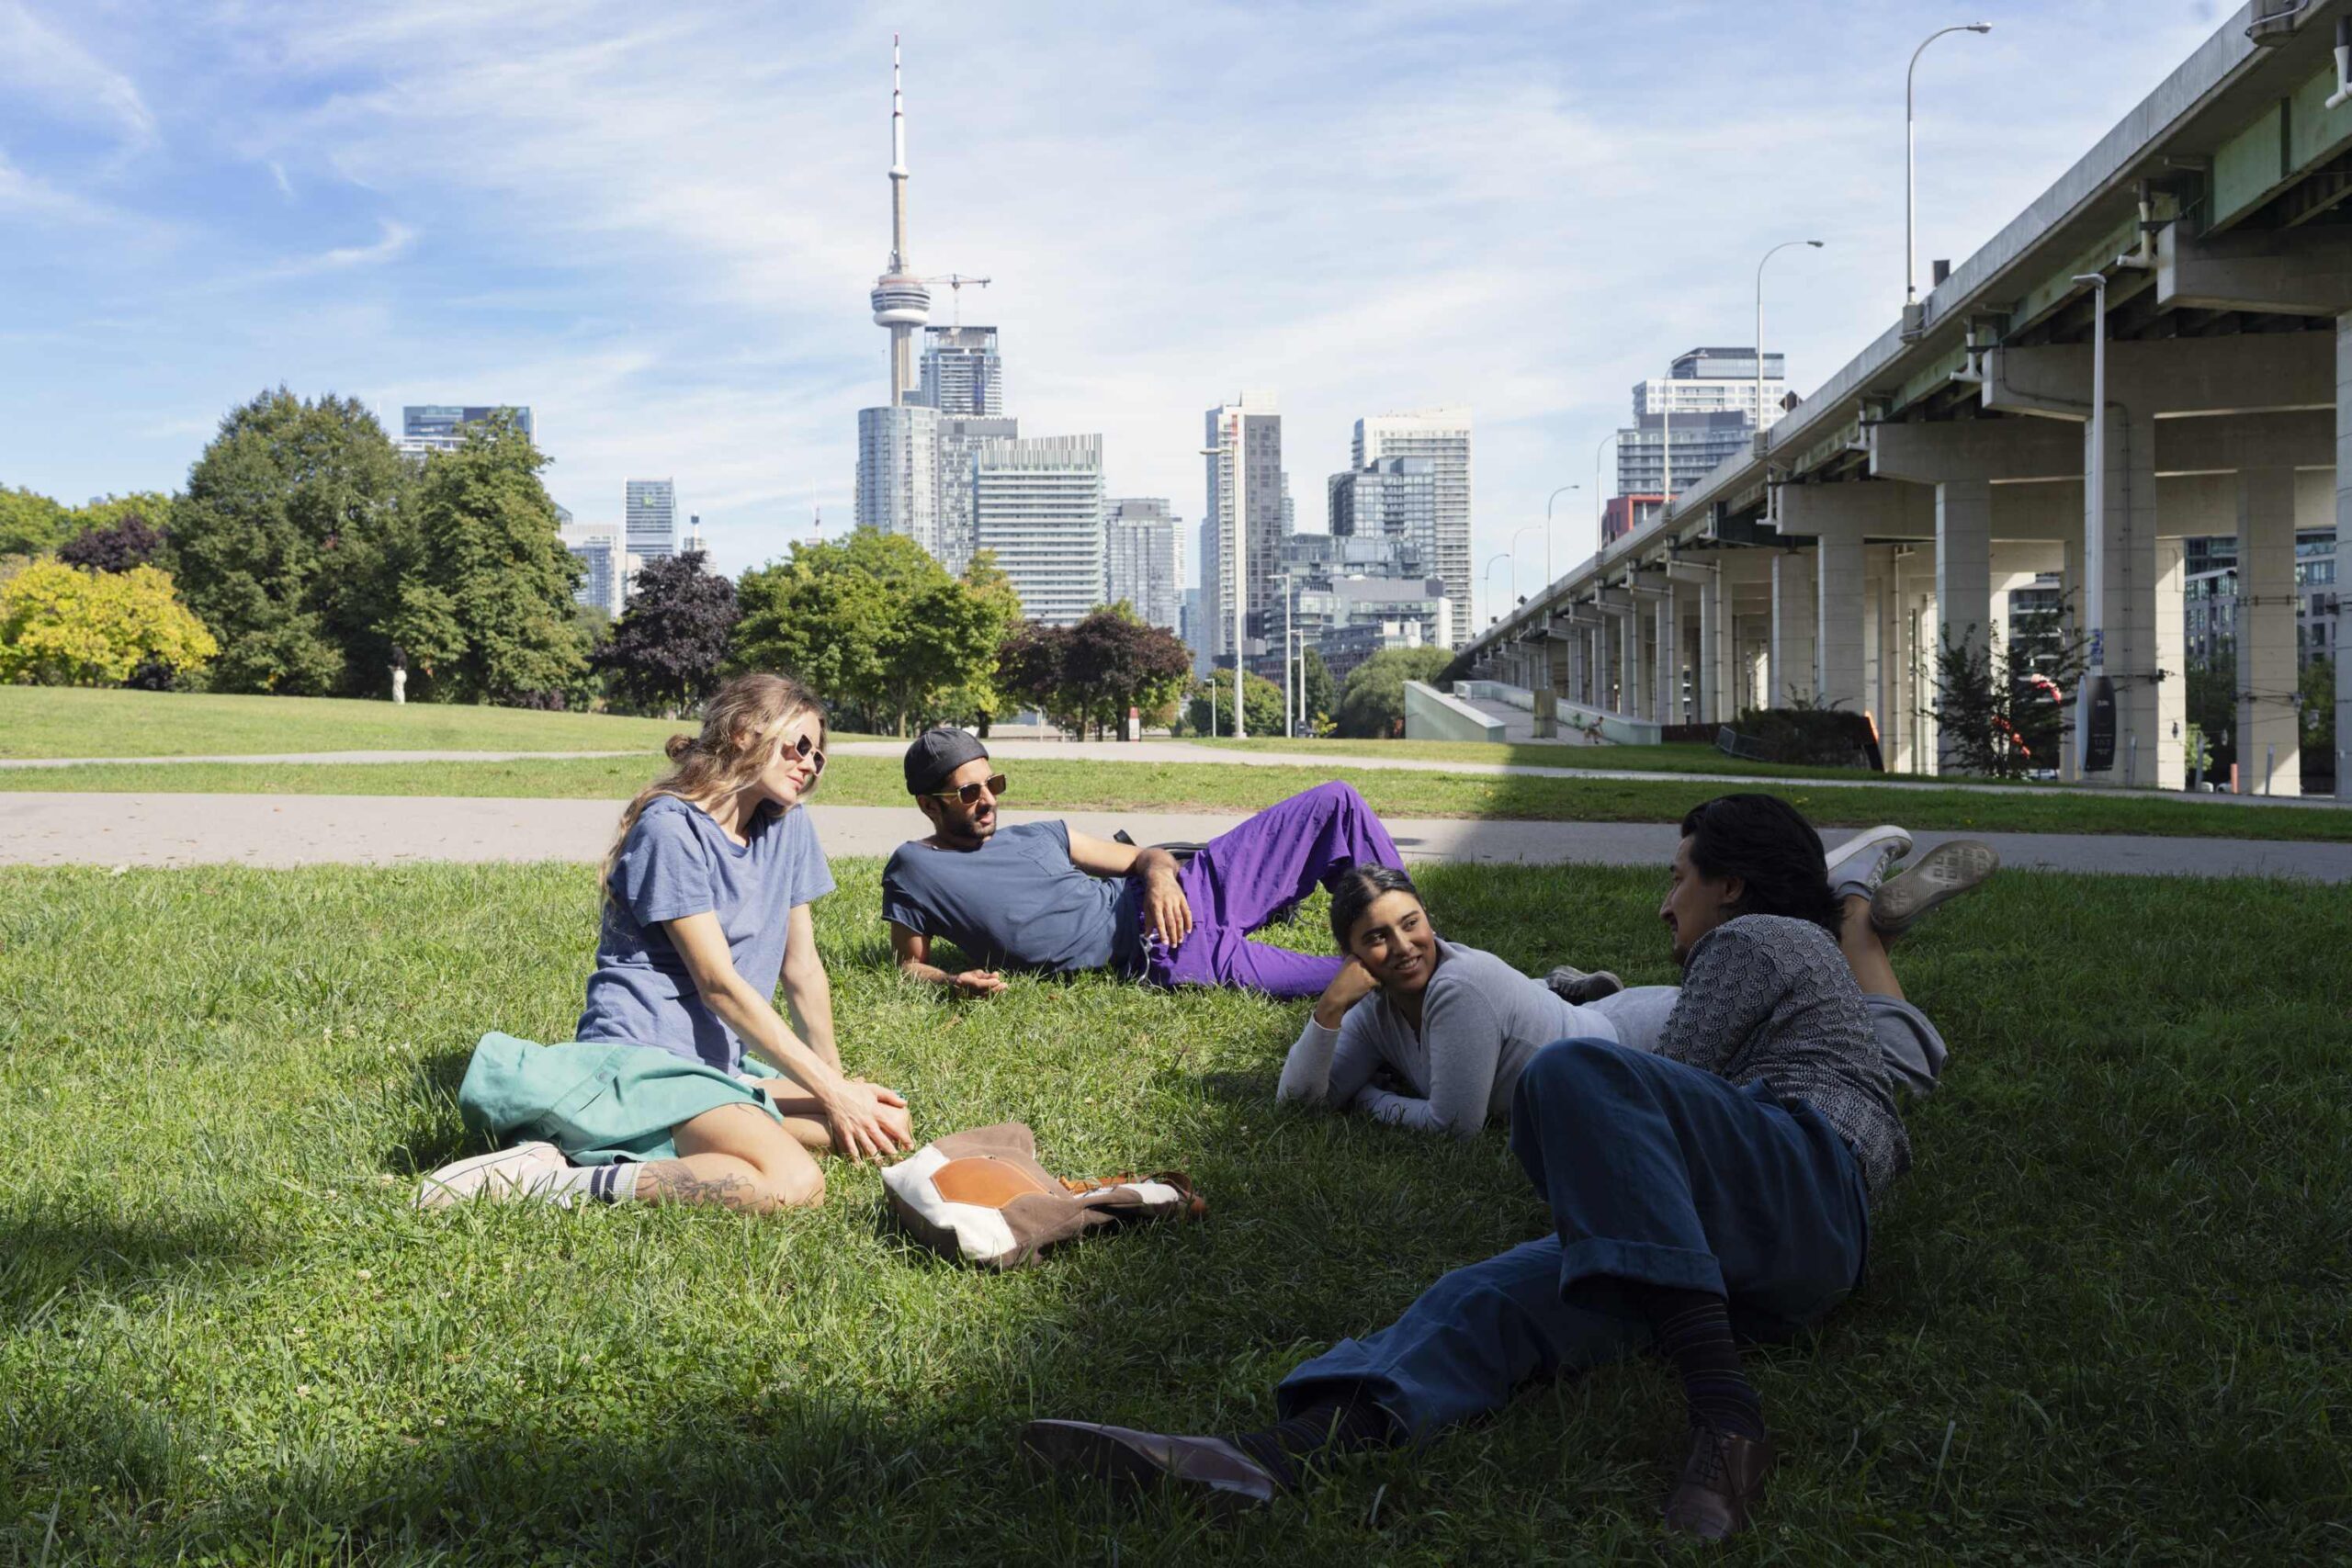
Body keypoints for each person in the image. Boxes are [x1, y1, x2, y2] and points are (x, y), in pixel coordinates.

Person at [1022, 795, 1996, 1540]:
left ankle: (1726, 1417)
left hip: (1800, 1183)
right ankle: (1267, 1458)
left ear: (1729, 884)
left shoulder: (1758, 936)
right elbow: (1905, 1052)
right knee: (1486, 1295)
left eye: (1677, 878)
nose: (1665, 906)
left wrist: (1850, 918)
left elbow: (1661, 1087)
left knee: (1574, 1075)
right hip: (1758, 1256)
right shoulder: (1799, 957)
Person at [418, 673, 914, 1213]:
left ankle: (622, 1142)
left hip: (717, 1070)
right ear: (744, 732)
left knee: (888, 1117)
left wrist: (837, 1089)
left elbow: (803, 969)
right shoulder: (670, 828)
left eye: (818, 757)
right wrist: (833, 1095)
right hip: (646, 1060)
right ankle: (554, 1180)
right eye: (799, 746)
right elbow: (718, 985)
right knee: (794, 1183)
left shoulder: (788, 827)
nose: (809, 765)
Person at [1277, 827, 1977, 1137]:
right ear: (1352, 954)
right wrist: (1331, 1011)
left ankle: (1853, 909)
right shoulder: (1374, 1009)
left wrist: (1369, 1098)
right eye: (1377, 937)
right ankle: (1841, 910)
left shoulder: (1458, 988)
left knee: (1885, 1067)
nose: (1402, 946)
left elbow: (1451, 1125)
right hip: (1614, 1022)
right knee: (1811, 1030)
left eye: (1411, 922)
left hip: (1644, 1040)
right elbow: (1305, 1100)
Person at [883, 727, 1406, 1000]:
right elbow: (908, 966)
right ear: (930, 805)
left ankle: (1418, 933)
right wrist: (953, 982)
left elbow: (1145, 856)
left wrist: (1157, 876)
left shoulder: (1041, 835)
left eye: (992, 784)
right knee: (1365, 975)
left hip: (1196, 886)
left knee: (1336, 802)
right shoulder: (915, 867)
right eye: (969, 792)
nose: (989, 800)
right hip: (1162, 951)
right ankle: (1414, 967)